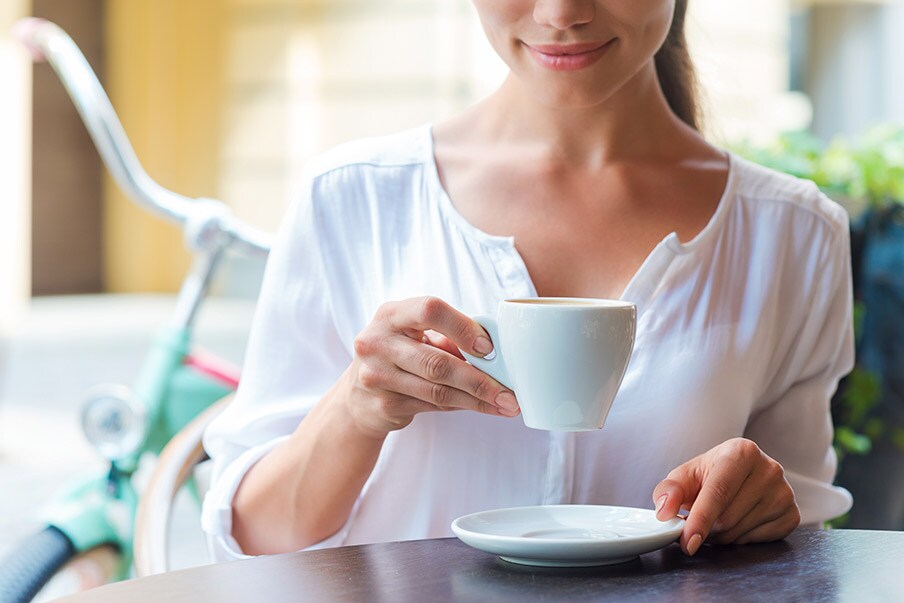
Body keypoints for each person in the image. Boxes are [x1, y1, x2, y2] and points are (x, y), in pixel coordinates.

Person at [201, 0, 853, 562]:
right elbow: (254, 538)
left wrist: (762, 508)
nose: (561, 14)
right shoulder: (352, 199)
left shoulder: (794, 236)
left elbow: (801, 549)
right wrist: (355, 409)